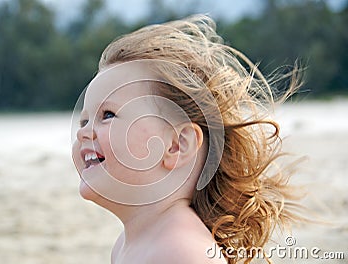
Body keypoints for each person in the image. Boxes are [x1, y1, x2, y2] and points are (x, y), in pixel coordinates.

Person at [72, 14, 302, 264]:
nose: (83, 132)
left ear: (177, 145)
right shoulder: (130, 243)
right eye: (84, 120)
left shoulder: (182, 250)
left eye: (108, 115)